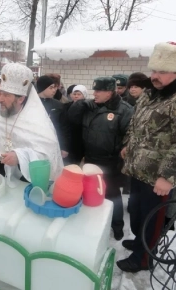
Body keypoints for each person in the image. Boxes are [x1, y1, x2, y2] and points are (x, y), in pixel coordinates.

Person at [117, 41, 176, 273]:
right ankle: (140, 242)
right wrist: (129, 144)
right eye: (153, 70)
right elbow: (136, 124)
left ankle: (144, 257)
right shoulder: (151, 92)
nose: (154, 76)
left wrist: (167, 177)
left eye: (161, 71)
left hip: (158, 175)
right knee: (136, 213)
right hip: (138, 168)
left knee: (152, 219)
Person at [0, 63, 63, 187]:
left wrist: (20, 157)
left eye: (6, 95)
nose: (0, 99)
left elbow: (48, 156)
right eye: (1, 93)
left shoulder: (38, 123)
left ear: (21, 98)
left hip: (26, 183)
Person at [68, 77, 133, 240]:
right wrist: (79, 104)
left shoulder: (124, 110)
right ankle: (93, 222)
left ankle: (117, 226)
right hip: (90, 158)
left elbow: (131, 135)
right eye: (94, 90)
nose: (94, 93)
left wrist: (123, 153)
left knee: (111, 194)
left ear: (110, 92)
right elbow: (71, 119)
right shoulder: (90, 106)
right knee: (89, 192)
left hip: (111, 161)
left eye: (99, 91)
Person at [36, 75, 70, 159]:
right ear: (42, 88)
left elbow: (64, 128)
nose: (54, 90)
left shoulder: (58, 105)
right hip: (34, 144)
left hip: (53, 144)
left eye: (55, 88)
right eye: (51, 88)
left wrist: (64, 147)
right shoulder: (30, 103)